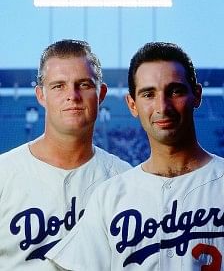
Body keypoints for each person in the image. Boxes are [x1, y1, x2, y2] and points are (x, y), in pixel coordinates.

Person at [46, 42, 224, 271]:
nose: (162, 106)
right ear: (132, 104)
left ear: (197, 95)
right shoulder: (110, 196)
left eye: (175, 91)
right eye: (148, 94)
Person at [0, 39, 131, 270]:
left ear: (100, 93)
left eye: (84, 85)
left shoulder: (125, 181)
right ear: (41, 95)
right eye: (58, 86)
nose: (72, 95)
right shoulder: (4, 173)